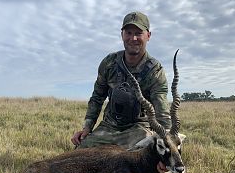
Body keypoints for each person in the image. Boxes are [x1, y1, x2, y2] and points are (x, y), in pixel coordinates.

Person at [71, 11, 171, 150]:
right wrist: (87, 127)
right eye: (128, 32)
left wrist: (167, 141)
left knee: (144, 158)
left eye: (138, 33)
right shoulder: (109, 63)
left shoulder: (155, 70)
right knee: (80, 154)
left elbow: (162, 110)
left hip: (139, 129)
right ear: (122, 35)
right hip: (109, 127)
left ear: (148, 35)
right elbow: (97, 97)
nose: (133, 38)